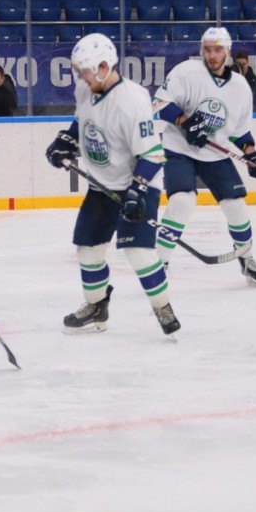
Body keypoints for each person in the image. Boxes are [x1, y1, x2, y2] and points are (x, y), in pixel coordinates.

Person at [44, 33, 179, 336]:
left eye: (85, 71)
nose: (80, 76)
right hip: (101, 186)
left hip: (139, 182)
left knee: (139, 253)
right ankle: (97, 307)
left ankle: (163, 308)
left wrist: (137, 192)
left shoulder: (132, 101)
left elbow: (152, 154)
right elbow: (83, 121)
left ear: (104, 67)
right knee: (88, 251)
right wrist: (65, 141)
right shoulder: (86, 88)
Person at [150, 27, 256, 287]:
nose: (212, 55)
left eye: (218, 50)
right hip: (179, 148)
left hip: (215, 152)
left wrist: (252, 154)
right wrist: (184, 121)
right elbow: (159, 103)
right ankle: (160, 263)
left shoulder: (240, 87)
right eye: (207, 50)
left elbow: (240, 131)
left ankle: (246, 258)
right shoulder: (186, 72)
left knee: (236, 205)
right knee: (182, 201)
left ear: (228, 52)